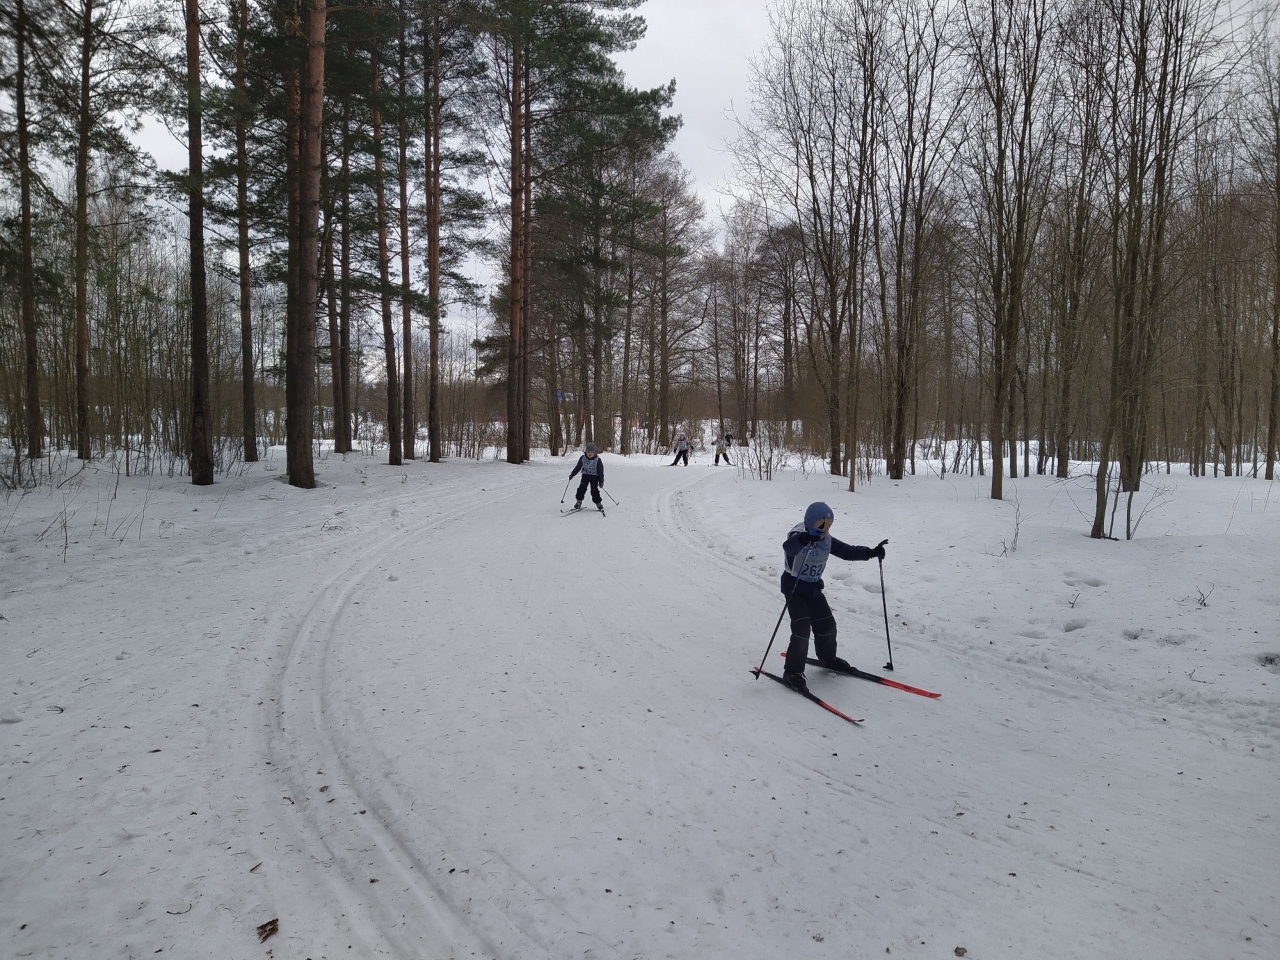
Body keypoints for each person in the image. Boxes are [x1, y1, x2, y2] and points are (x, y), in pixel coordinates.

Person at [779, 501, 885, 693]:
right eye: (821, 524)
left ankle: (828, 658)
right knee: (802, 629)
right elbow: (789, 547)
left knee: (827, 625)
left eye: (828, 525)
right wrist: (804, 539)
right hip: (794, 589)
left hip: (814, 589)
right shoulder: (798, 534)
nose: (824, 529)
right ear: (811, 522)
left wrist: (871, 552)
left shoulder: (826, 539)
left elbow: (847, 551)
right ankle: (792, 672)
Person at [569, 442, 605, 510]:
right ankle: (579, 502)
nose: (590, 453)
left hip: (594, 477)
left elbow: (600, 471)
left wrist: (601, 481)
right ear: (586, 451)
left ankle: (598, 503)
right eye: (588, 451)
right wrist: (572, 474)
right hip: (585, 476)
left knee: (594, 491)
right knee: (581, 488)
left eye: (591, 452)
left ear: (594, 452)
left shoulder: (597, 460)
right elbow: (578, 467)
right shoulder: (583, 458)